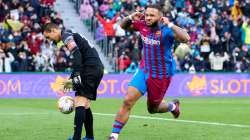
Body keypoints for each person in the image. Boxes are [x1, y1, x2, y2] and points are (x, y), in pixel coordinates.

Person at [109, 4, 190, 140]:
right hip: (144, 70)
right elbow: (121, 26)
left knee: (152, 109)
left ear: (160, 17)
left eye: (152, 15)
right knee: (127, 100)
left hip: (161, 75)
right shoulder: (142, 25)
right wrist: (130, 17)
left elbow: (186, 38)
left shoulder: (167, 30)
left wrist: (170, 24)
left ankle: (172, 106)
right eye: (146, 15)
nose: (148, 18)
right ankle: (113, 135)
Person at [43, 23, 104, 140]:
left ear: (54, 30)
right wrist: (68, 82)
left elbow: (77, 55)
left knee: (80, 101)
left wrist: (76, 75)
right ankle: (90, 137)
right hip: (94, 68)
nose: (49, 40)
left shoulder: (66, 36)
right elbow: (79, 58)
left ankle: (76, 137)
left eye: (48, 37)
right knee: (85, 104)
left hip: (89, 68)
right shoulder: (70, 34)